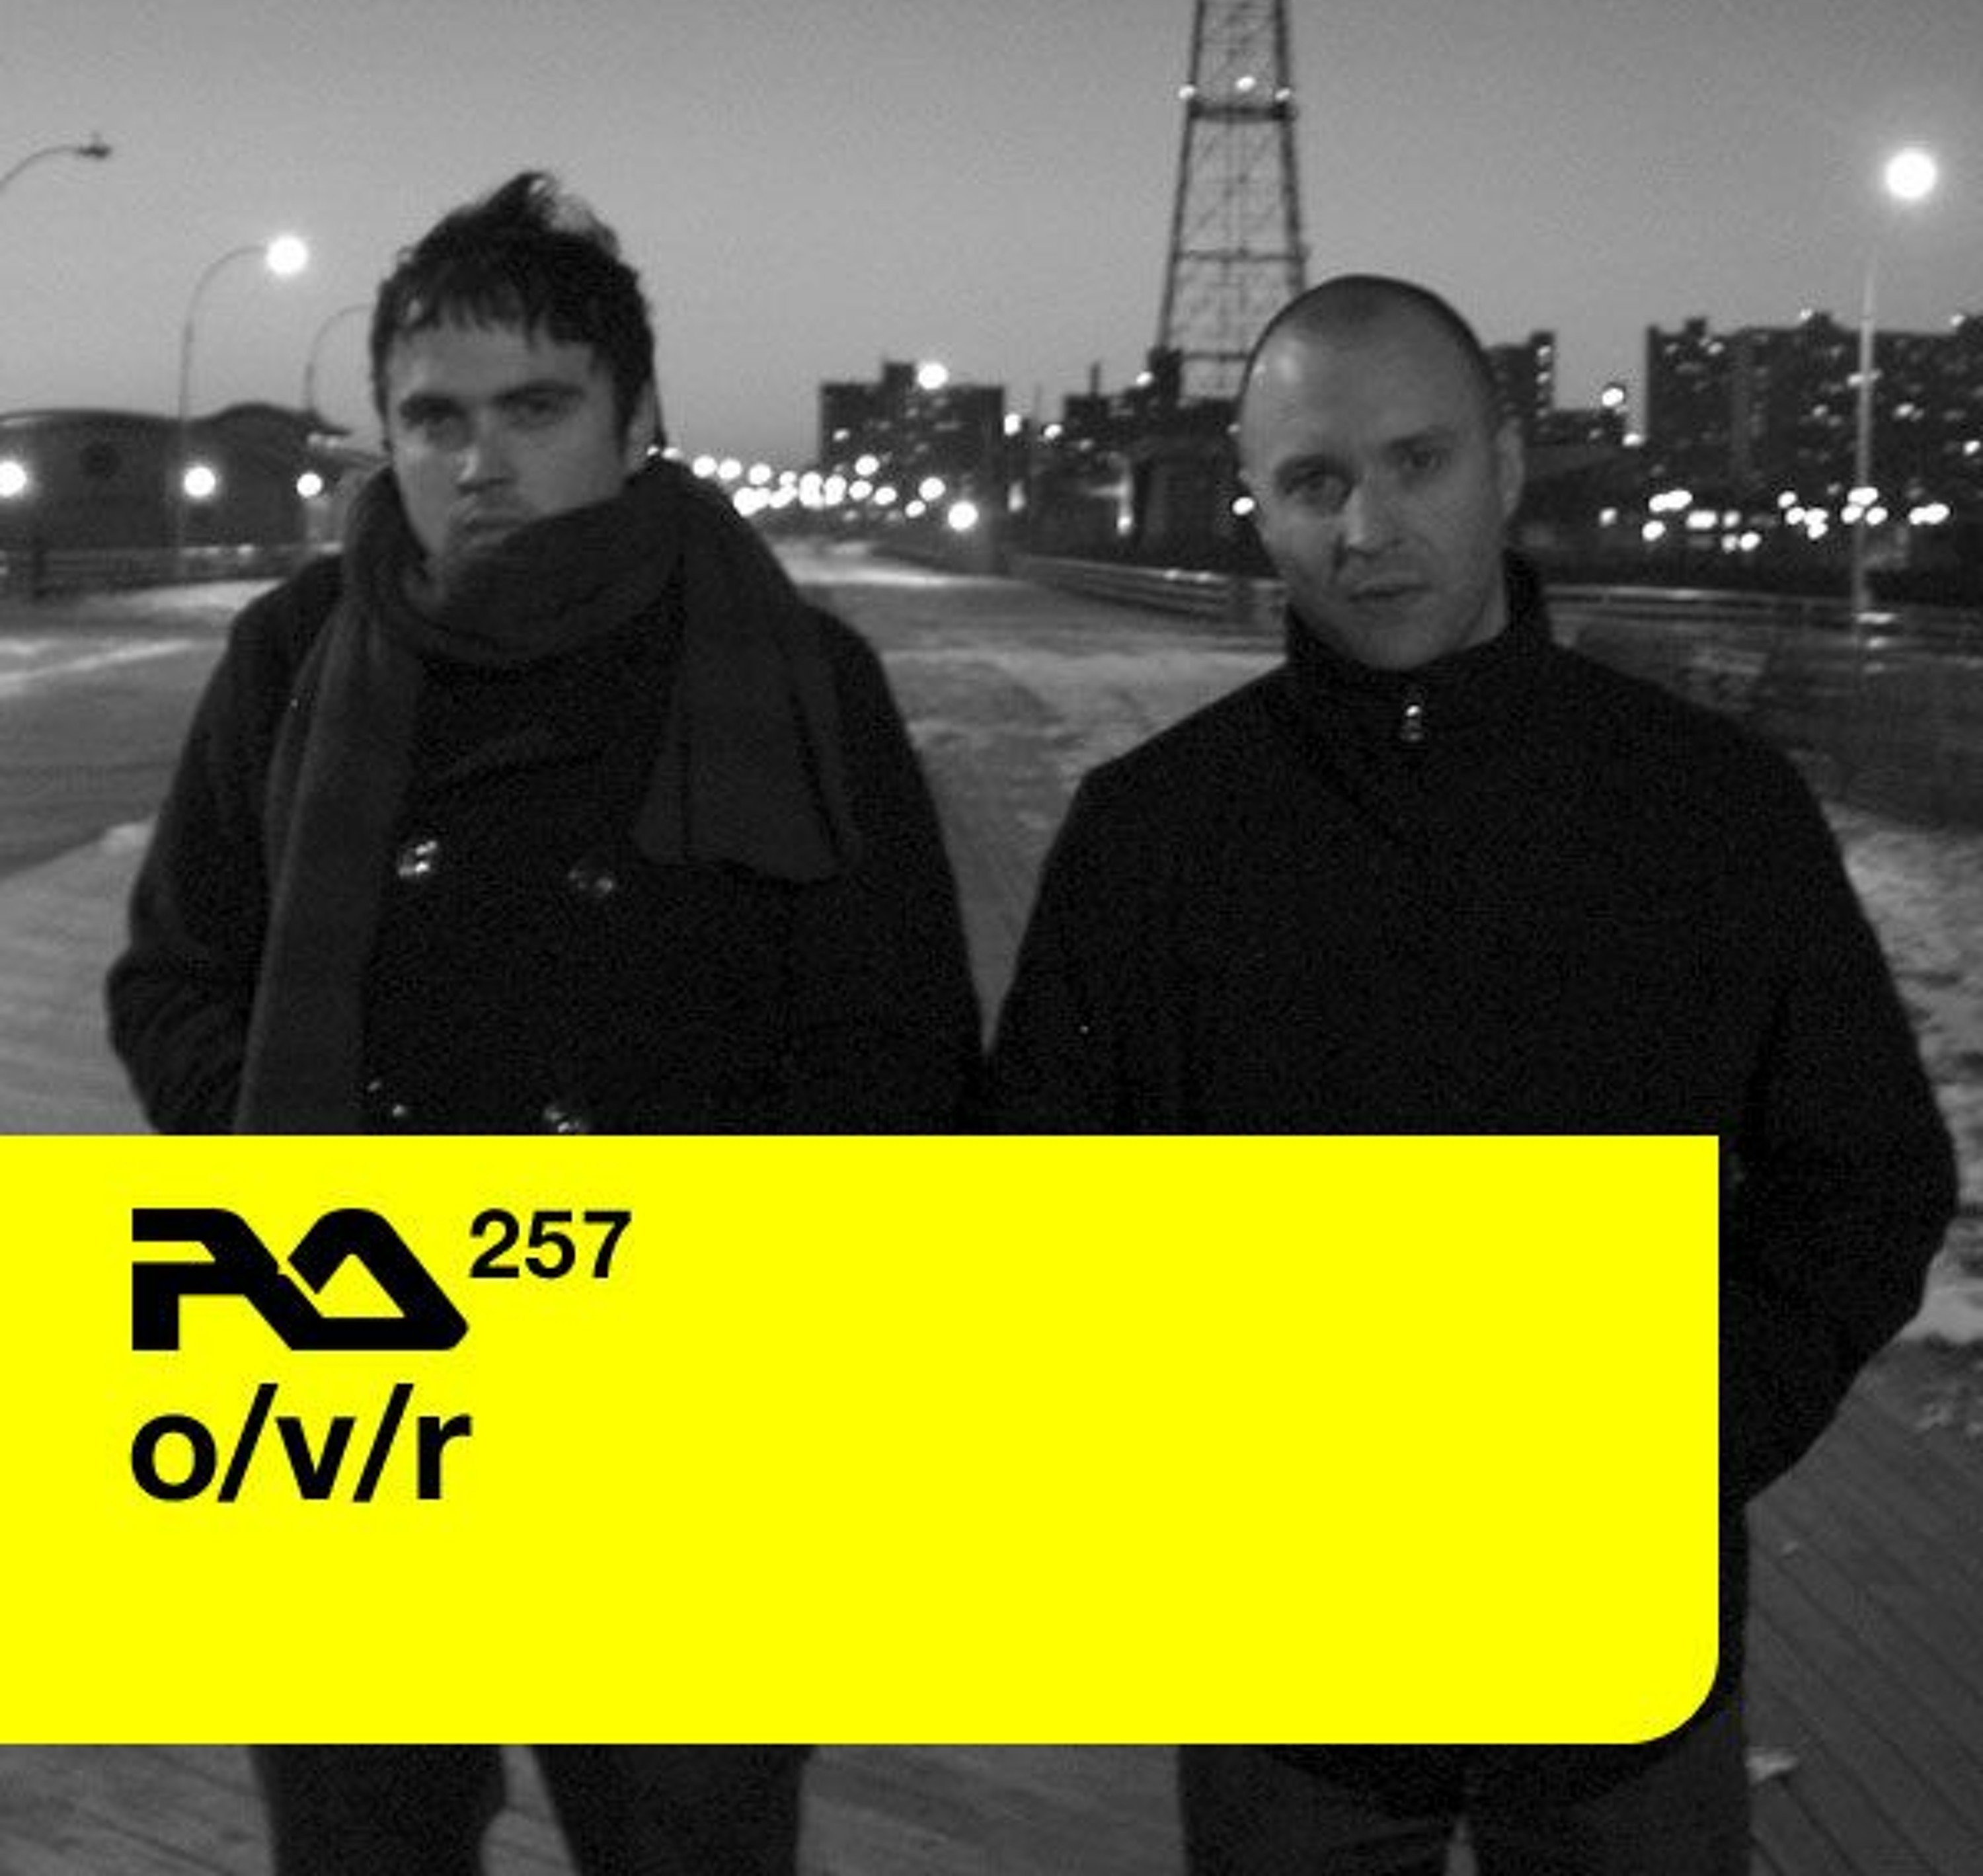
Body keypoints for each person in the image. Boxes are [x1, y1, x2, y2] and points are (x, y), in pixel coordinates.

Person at [984, 274, 1956, 1873]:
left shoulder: (1707, 812)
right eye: (1314, 481)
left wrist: (1683, 1443)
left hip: (1615, 1667)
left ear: (1506, 468)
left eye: (1416, 462)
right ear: (1259, 508)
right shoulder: (1156, 838)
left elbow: (1866, 1177)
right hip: (1289, 1676)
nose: (1368, 527)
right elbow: (1037, 1217)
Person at [108, 172, 981, 1873]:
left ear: (635, 418)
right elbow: (174, 977)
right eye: (433, 418)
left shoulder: (791, 670)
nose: (479, 461)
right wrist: (309, 1191)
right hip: (354, 1391)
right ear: (386, 431)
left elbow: (893, 1053)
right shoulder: (296, 654)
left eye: (535, 408)